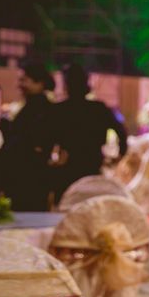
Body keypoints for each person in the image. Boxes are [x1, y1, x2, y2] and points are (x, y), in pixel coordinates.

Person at [51, 63, 128, 197]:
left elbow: (48, 139)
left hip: (66, 169)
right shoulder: (99, 109)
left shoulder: (59, 110)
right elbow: (121, 132)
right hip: (93, 165)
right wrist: (119, 156)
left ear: (66, 85)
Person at [0, 63, 57, 210]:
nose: (20, 84)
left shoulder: (40, 108)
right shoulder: (34, 106)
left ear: (39, 83)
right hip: (28, 174)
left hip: (28, 176)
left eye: (25, 80)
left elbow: (24, 140)